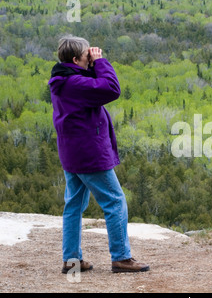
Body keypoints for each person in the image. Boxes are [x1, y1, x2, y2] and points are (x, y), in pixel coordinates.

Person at [48, 34, 149, 273]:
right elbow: (112, 89)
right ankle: (121, 258)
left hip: (72, 154)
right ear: (76, 59)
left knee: (73, 206)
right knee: (115, 202)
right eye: (87, 56)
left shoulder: (63, 79)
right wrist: (101, 63)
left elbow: (90, 84)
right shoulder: (75, 84)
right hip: (89, 155)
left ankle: (71, 259)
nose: (91, 57)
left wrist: (90, 65)